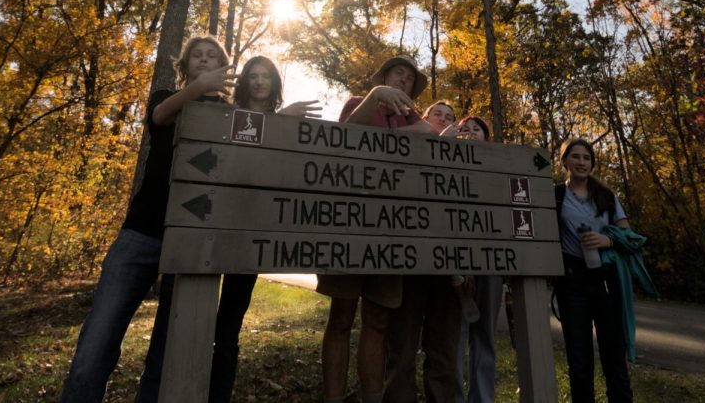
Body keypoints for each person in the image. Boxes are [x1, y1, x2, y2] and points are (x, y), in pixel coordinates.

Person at [60, 36, 236, 403]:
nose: (204, 61)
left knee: (167, 351)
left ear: (223, 65)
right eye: (197, 57)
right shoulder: (165, 98)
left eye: (212, 56)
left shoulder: (228, 115)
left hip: (193, 244)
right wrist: (197, 89)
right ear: (186, 67)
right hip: (141, 236)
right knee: (97, 343)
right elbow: (159, 116)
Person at [317, 55, 434, 403]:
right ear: (384, 77)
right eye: (398, 74)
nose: (404, 80)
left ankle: (371, 397)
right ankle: (334, 397)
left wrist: (399, 129)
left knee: (378, 320)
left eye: (410, 79)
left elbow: (428, 133)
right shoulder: (360, 101)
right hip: (350, 226)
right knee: (340, 316)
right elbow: (347, 136)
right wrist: (376, 96)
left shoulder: (412, 115)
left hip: (392, 231)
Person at [210, 55, 321, 403]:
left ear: (274, 83)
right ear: (245, 82)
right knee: (195, 317)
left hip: (251, 234)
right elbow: (234, 147)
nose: (259, 82)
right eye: (253, 76)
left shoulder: (285, 124)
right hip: (212, 227)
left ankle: (218, 392)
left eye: (265, 77)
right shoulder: (224, 114)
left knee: (229, 323)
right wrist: (280, 119)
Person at [384, 104, 469, 403]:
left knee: (443, 349)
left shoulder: (465, 159)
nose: (444, 119)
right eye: (438, 114)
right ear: (424, 119)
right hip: (410, 262)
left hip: (449, 270)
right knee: (402, 347)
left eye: (450, 117)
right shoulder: (408, 143)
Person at [553, 138, 633, 403]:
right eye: (575, 157)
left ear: (592, 163)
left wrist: (607, 240)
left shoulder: (607, 196)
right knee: (579, 358)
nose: (581, 162)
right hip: (572, 281)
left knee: (614, 354)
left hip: (606, 279)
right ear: (565, 162)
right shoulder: (556, 195)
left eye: (586, 158)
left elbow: (627, 235)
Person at [452, 115, 502, 403]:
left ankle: (482, 399)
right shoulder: (445, 167)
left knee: (485, 335)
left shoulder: (498, 166)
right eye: (464, 129)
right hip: (458, 262)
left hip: (492, 262)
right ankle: (455, 397)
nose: (470, 133)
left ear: (486, 137)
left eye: (477, 129)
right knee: (456, 335)